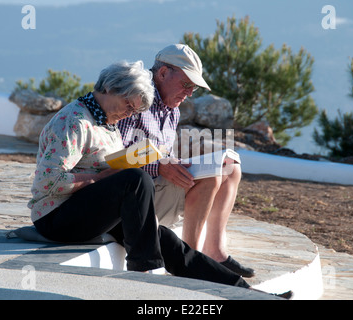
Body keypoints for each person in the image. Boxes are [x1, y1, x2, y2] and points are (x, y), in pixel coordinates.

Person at [28, 60, 251, 289]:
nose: (128, 114)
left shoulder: (107, 121)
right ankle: (143, 272)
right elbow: (48, 182)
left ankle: (243, 289)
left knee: (167, 241)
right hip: (55, 217)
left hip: (87, 211)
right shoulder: (74, 122)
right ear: (110, 88)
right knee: (135, 179)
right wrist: (102, 178)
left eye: (134, 110)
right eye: (127, 105)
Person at [118, 44, 255, 278]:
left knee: (230, 165)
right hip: (134, 199)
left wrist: (169, 162)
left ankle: (215, 252)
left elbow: (157, 152)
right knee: (211, 174)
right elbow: (115, 157)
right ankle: (190, 261)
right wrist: (159, 165)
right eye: (187, 84)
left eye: (194, 87)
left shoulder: (172, 108)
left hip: (154, 189)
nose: (190, 92)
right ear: (162, 74)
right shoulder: (135, 97)